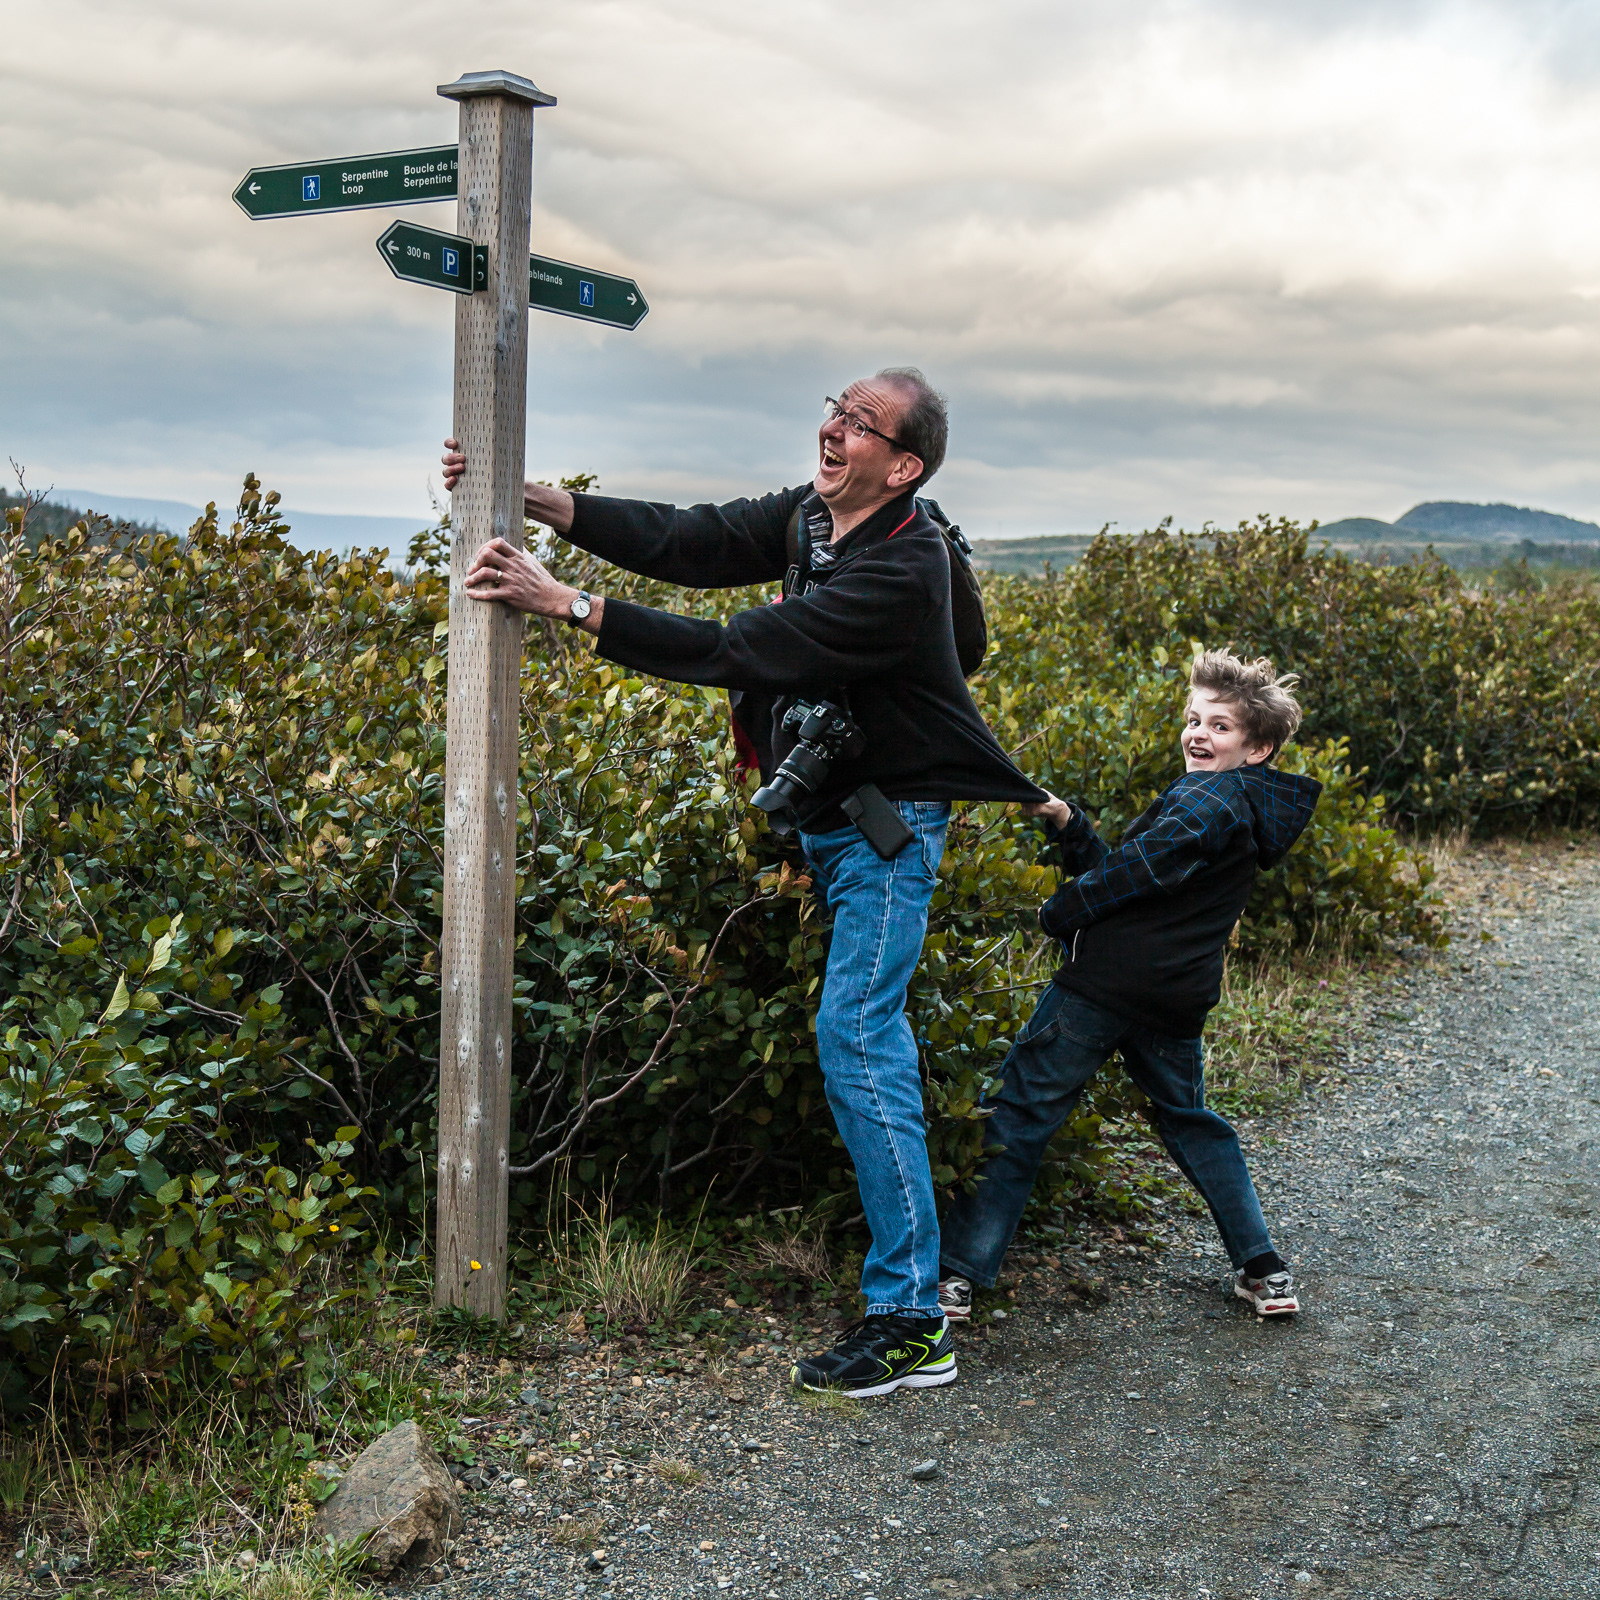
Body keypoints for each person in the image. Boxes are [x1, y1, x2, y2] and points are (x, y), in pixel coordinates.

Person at [441, 368, 1071, 1396]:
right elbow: (689, 540)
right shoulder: (810, 522)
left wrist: (565, 602)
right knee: (861, 1035)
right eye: (835, 408)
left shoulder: (902, 570)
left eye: (859, 424)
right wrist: (536, 500)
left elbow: (741, 648)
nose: (831, 429)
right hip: (835, 822)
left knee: (858, 1034)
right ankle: (911, 1292)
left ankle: (912, 1316)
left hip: (889, 830)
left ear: (902, 465)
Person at [936, 649, 1321, 1322]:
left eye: (1221, 726)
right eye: (1194, 718)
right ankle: (1264, 1269)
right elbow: (1144, 873)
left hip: (1102, 990)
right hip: (1175, 1001)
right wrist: (1070, 826)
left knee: (1021, 1114)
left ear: (1257, 748)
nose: (1199, 734)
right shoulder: (1244, 806)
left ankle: (959, 1276)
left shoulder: (1208, 800)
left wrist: (1061, 912)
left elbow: (1134, 873)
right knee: (1193, 1125)